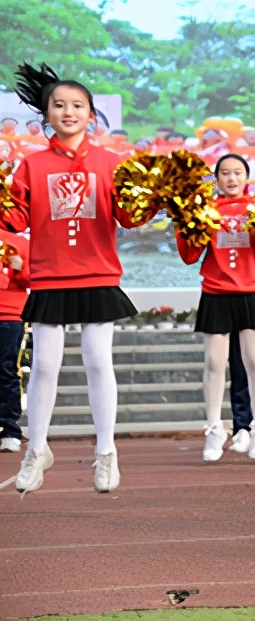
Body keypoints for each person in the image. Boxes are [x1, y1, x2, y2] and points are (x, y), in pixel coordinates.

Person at [4, 64, 149, 493]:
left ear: (92, 114)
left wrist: (156, 198)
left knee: (97, 361)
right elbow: (14, 218)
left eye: (78, 105)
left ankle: (106, 452)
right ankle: (37, 449)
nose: (68, 111)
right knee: (45, 365)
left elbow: (128, 216)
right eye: (59, 105)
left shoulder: (113, 163)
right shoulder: (30, 165)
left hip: (98, 273)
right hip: (49, 276)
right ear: (46, 113)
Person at [176, 153, 255, 463]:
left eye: (238, 172)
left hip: (253, 290)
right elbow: (190, 256)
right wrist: (184, 222)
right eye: (225, 173)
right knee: (214, 363)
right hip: (216, 291)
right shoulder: (206, 211)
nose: (231, 178)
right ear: (215, 179)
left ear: (247, 176)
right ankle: (215, 429)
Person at [0, 229, 30, 453]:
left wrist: (19, 268)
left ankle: (10, 431)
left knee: (7, 372)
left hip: (10, 316)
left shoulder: (18, 242)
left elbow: (34, 278)